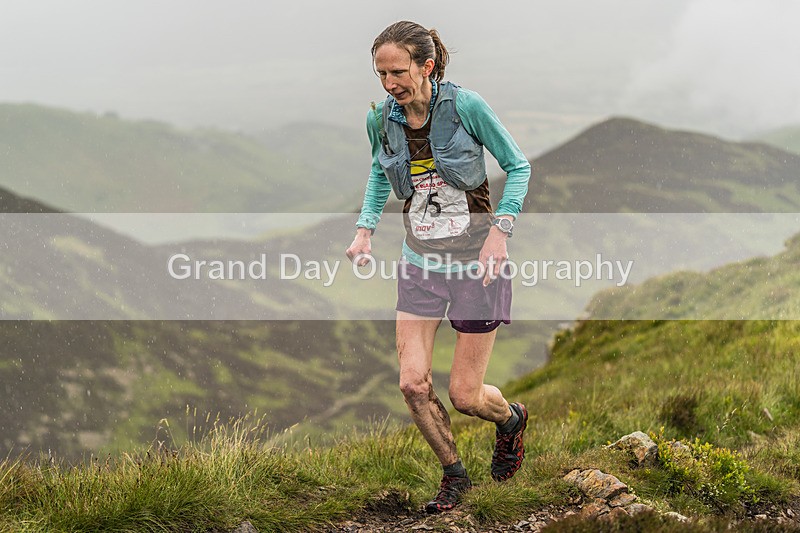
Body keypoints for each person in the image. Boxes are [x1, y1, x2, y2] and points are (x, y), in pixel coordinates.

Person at [345, 20, 531, 514]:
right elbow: (378, 171)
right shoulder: (380, 119)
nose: (389, 85)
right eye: (381, 74)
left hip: (476, 264)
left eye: (398, 72)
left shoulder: (466, 107)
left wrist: (500, 232)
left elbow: (518, 165)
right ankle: (454, 475)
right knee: (412, 383)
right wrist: (365, 230)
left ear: (426, 65)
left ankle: (510, 421)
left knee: (467, 396)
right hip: (419, 264)